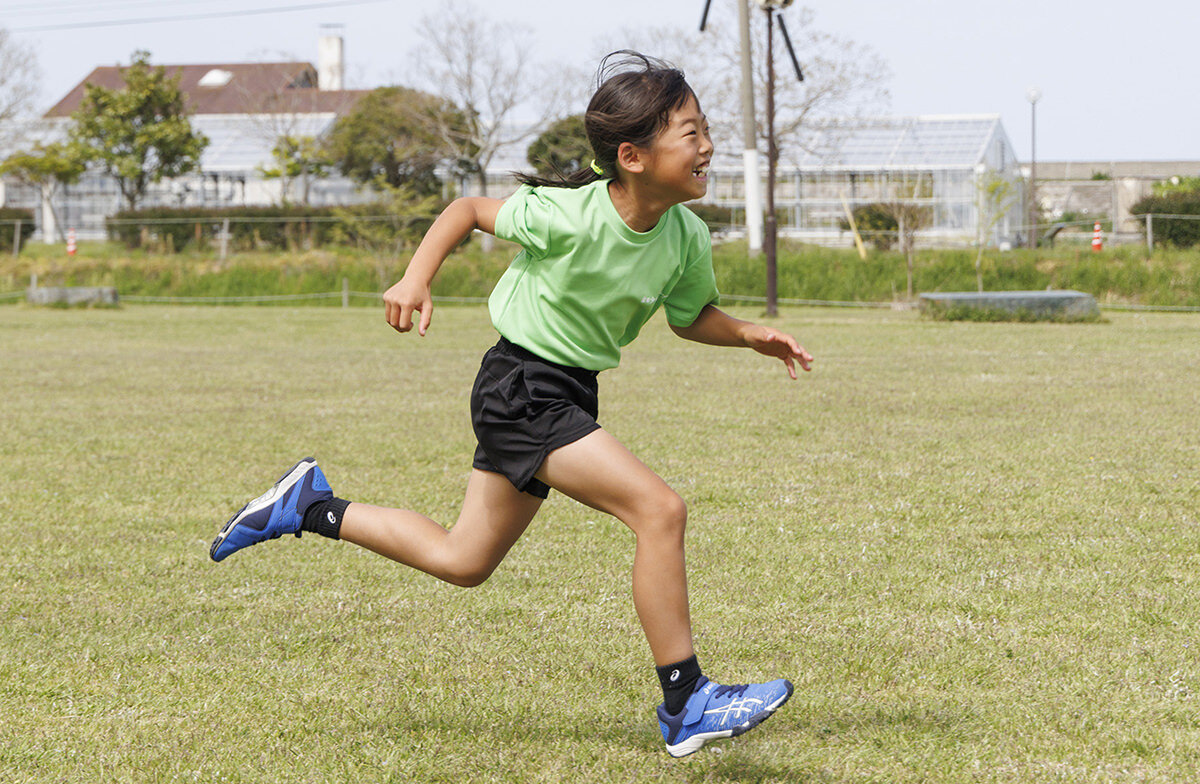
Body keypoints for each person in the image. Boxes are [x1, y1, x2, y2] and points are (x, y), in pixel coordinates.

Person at [209, 51, 813, 758]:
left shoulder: (683, 236)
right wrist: (413, 279)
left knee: (463, 559)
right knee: (659, 509)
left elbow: (689, 315)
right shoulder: (568, 214)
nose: (707, 145)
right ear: (633, 155)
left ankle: (306, 507)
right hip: (522, 385)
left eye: (704, 129)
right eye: (691, 132)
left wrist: (749, 336)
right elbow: (466, 210)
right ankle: (687, 701)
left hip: (567, 390)